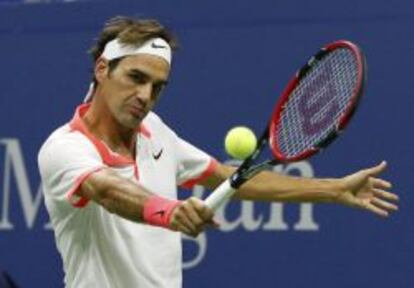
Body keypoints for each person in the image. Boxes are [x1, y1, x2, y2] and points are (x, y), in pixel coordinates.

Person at [38, 16, 398, 288]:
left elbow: (228, 178)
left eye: (157, 87)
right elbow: (106, 189)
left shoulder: (156, 133)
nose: (146, 96)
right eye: (136, 78)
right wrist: (171, 211)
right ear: (103, 69)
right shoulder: (65, 148)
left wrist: (333, 190)